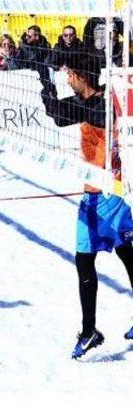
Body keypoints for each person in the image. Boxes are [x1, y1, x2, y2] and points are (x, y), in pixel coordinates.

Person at [41, 56, 133, 359]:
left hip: (101, 192)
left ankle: (89, 331)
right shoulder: (104, 97)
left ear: (83, 76)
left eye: (71, 76)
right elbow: (60, 113)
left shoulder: (97, 106)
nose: (68, 80)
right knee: (126, 250)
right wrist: (47, 78)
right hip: (114, 187)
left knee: (84, 260)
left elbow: (59, 113)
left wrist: (43, 76)